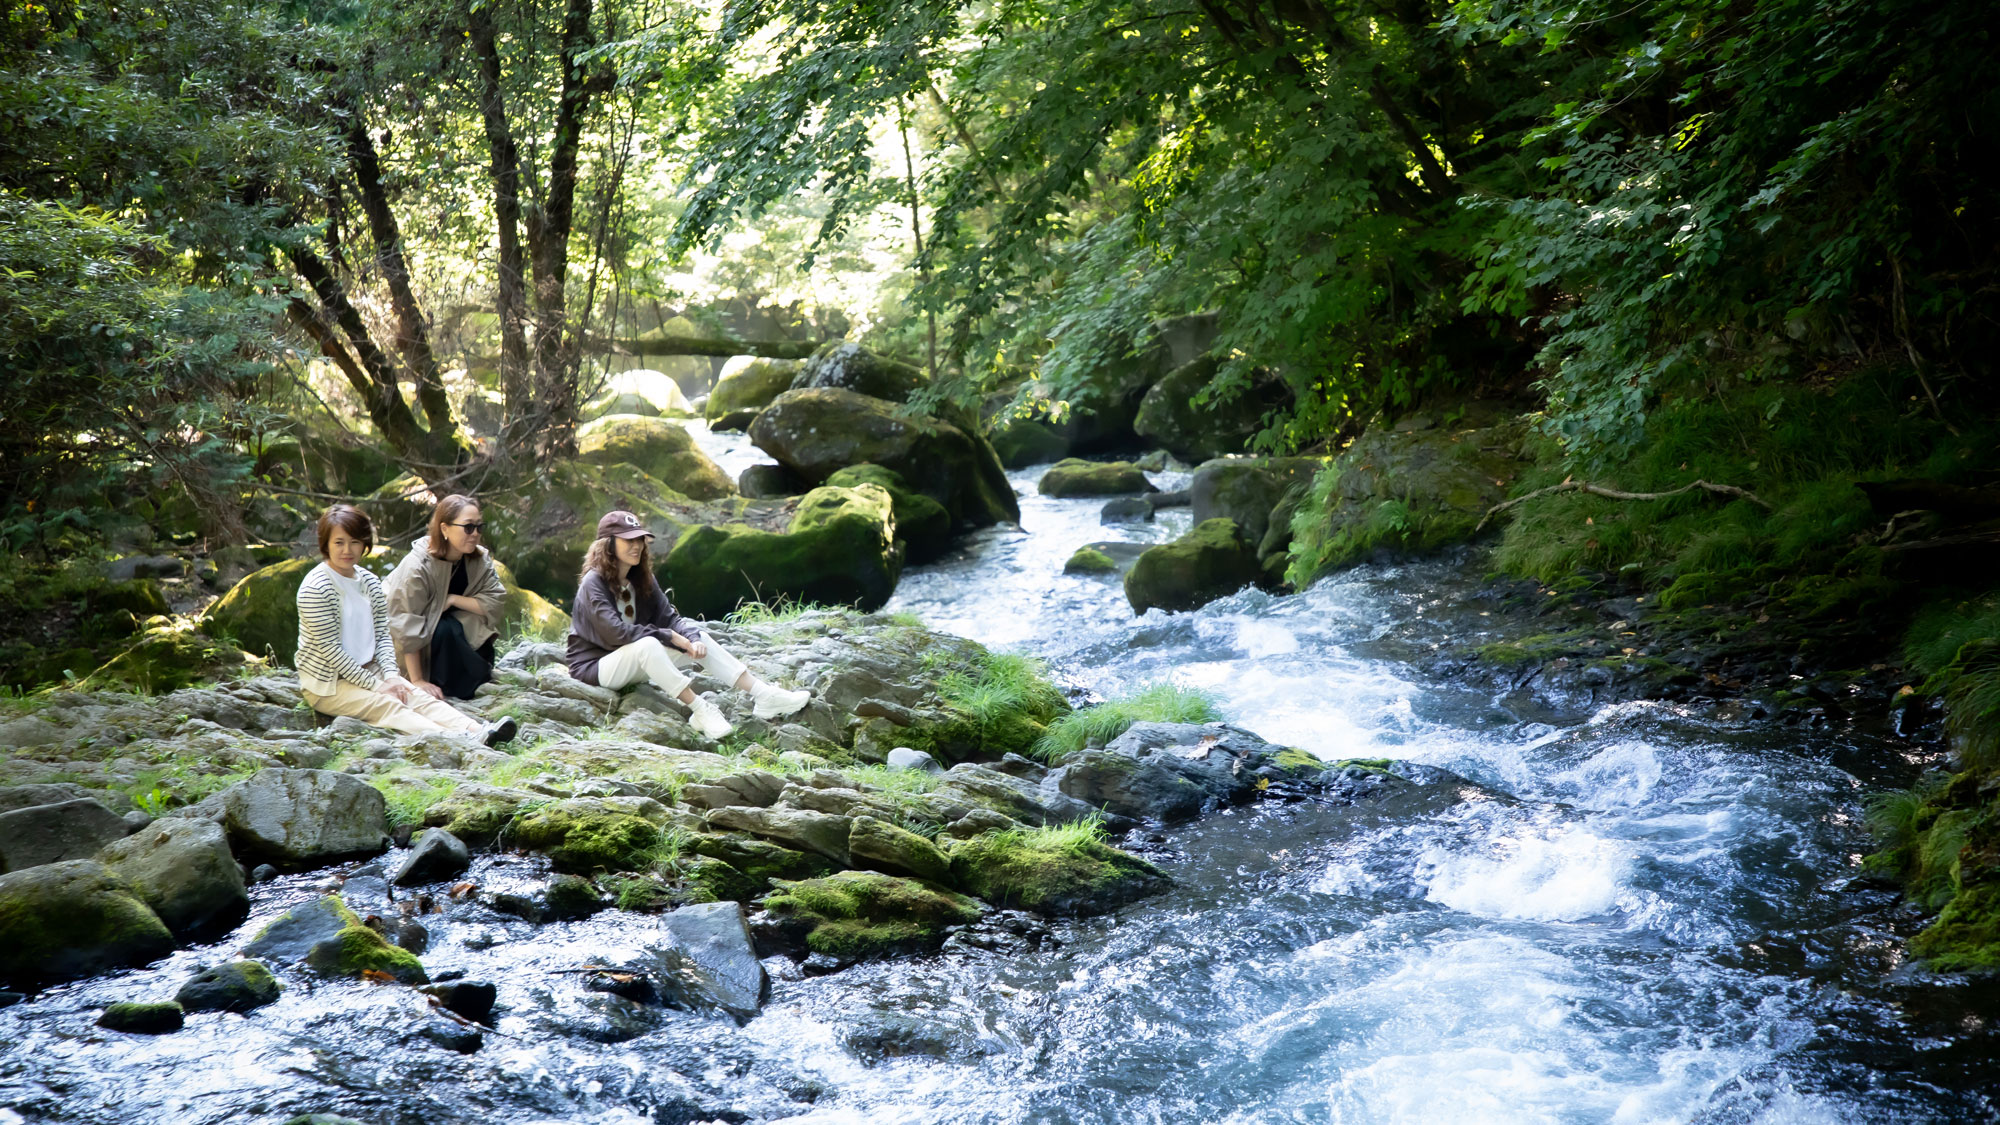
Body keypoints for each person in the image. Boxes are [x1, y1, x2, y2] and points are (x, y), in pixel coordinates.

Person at [566, 509, 810, 740]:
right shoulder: (593, 583)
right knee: (650, 643)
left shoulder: (641, 579)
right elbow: (615, 633)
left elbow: (670, 618)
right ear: (607, 544)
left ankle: (763, 694)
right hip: (595, 669)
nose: (637, 545)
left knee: (697, 637)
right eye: (628, 540)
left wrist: (690, 639)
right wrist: (669, 636)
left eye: (640, 539)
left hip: (633, 661)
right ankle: (701, 709)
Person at [296, 503, 517, 745]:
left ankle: (479, 729)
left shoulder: (369, 581)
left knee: (417, 696)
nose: (347, 550)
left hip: (371, 668)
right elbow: (331, 652)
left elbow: (382, 635)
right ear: (325, 544)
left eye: (355, 542)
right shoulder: (316, 587)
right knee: (389, 704)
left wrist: (391, 676)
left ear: (364, 543)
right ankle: (458, 739)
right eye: (339, 542)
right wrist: (377, 686)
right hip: (327, 684)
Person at [384, 493, 506, 700]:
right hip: (409, 647)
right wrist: (417, 681)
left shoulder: (479, 560)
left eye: (479, 527)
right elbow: (404, 624)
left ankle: (470, 678)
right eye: (468, 527)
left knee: (458, 623)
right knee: (444, 628)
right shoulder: (417, 567)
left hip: (451, 640)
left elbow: (496, 602)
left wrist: (451, 600)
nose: (475, 534)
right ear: (444, 528)